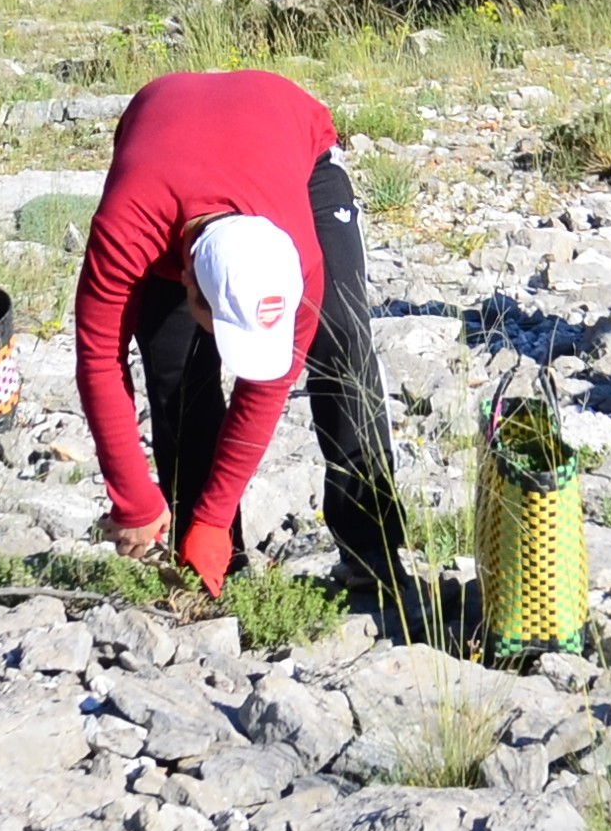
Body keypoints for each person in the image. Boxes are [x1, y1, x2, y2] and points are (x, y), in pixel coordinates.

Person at [69, 66, 414, 621]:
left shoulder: (298, 256)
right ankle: (209, 570)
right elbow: (98, 359)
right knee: (178, 376)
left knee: (342, 340)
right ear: (187, 286)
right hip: (163, 154)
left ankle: (371, 550)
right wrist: (133, 497)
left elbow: (268, 385)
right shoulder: (127, 229)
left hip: (292, 150)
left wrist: (217, 507)